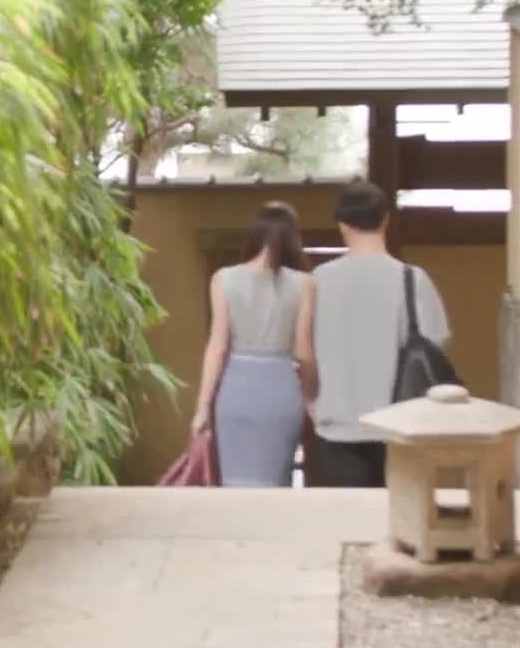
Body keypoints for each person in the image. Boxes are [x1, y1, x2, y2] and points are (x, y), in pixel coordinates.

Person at [303, 181, 453, 488]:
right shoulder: (412, 279)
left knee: (348, 514)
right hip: (400, 427)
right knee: (401, 512)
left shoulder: (318, 280)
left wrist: (311, 403)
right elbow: (434, 346)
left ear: (342, 225)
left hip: (336, 425)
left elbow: (303, 350)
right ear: (386, 220)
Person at [190, 201, 317, 487]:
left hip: (235, 393)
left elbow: (217, 347)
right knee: (274, 483)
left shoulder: (223, 278)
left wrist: (202, 407)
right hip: (281, 393)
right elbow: (302, 352)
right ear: (292, 237)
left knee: (234, 485)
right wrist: (311, 397)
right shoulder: (305, 283)